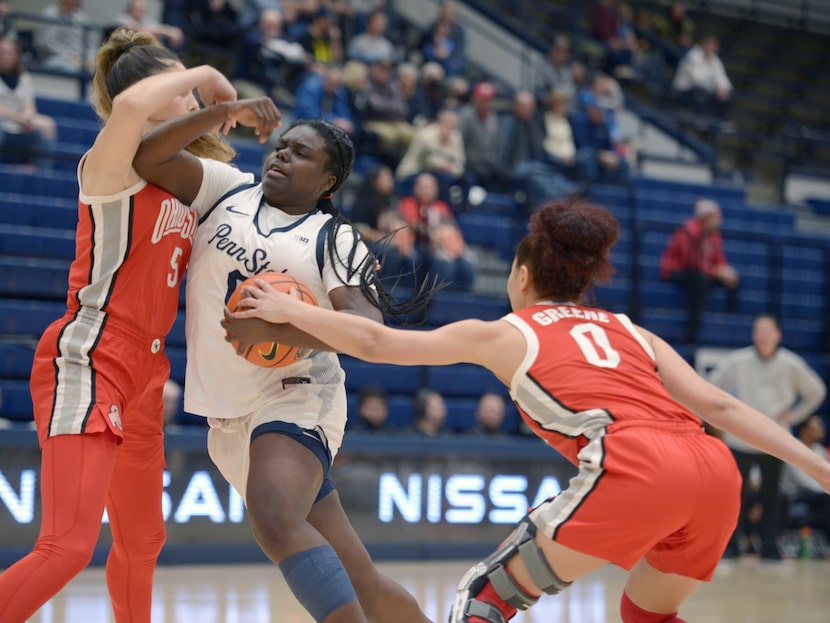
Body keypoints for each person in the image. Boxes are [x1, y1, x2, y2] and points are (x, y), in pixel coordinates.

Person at [228, 197, 830, 623]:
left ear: (520, 275)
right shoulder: (630, 329)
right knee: (647, 611)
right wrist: (819, 466)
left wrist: (293, 314)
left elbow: (378, 344)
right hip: (715, 470)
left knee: (483, 600)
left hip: (638, 465)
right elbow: (719, 403)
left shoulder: (511, 331)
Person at [0, 28, 265, 623]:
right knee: (67, 546)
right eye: (178, 83)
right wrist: (205, 73)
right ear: (156, 88)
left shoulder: (186, 178)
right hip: (92, 352)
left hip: (146, 371)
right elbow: (127, 109)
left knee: (143, 541)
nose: (191, 95)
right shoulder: (108, 163)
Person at [132, 106, 434, 621]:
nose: (283, 156)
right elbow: (146, 154)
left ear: (328, 180)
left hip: (296, 394)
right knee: (361, 584)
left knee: (273, 516)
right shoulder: (225, 190)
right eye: (282, 146)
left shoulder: (333, 238)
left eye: (301, 153)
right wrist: (221, 111)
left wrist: (284, 327)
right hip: (226, 416)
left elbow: (370, 331)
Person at [707, 313, 827, 560]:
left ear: (777, 335)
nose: (762, 335)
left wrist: (794, 415)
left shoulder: (790, 363)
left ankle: (770, 546)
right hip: (741, 438)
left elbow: (816, 390)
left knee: (773, 496)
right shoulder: (737, 361)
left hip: (776, 440)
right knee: (733, 497)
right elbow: (710, 384)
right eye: (758, 330)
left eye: (767, 330)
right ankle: (731, 545)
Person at [659, 198, 739, 343]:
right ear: (707, 218)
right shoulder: (688, 232)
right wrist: (716, 272)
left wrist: (725, 272)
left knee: (734, 278)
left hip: (701, 272)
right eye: (717, 217)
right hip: (676, 270)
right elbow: (691, 263)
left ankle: (731, 319)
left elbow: (719, 260)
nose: (720, 221)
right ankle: (691, 331)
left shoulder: (714, 235)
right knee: (700, 281)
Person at [0, 36, 57, 167]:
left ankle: (42, 173)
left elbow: (29, 106)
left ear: (16, 56)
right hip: (3, 122)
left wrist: (26, 117)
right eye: (2, 52)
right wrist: (16, 118)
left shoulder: (24, 78)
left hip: (19, 123)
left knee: (47, 125)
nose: (6, 56)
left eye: (9, 53)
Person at [780, 415, 830, 547]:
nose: (822, 429)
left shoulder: (819, 449)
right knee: (827, 499)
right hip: (796, 494)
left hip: (817, 494)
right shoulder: (794, 448)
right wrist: (825, 489)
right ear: (804, 430)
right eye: (817, 426)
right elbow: (802, 480)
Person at [671, 32, 732, 119]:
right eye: (711, 45)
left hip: (703, 90)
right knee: (701, 92)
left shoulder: (714, 59)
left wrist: (723, 89)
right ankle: (701, 122)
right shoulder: (692, 56)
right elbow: (697, 79)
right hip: (683, 89)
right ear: (703, 44)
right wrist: (716, 89)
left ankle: (719, 123)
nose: (713, 48)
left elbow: (721, 76)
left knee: (729, 95)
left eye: (714, 45)